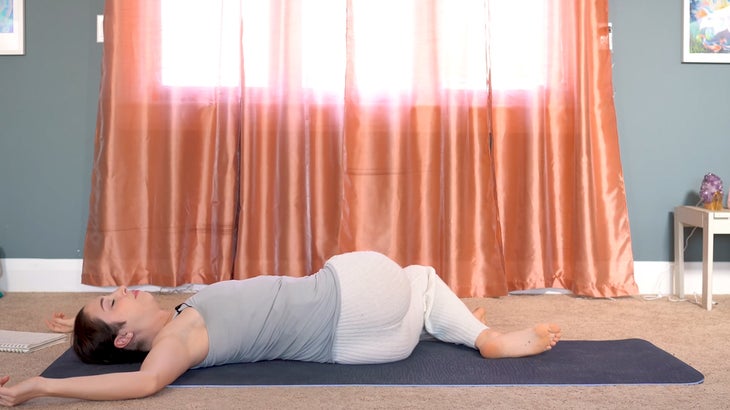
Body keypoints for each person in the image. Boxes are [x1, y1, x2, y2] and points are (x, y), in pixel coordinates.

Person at [0, 251, 560, 406]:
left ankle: (447, 324)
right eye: (114, 303)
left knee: (418, 286)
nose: (123, 290)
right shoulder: (175, 342)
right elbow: (142, 384)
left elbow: (116, 342)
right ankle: (482, 338)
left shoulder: (177, 315)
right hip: (352, 308)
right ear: (126, 338)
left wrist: (75, 330)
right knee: (423, 278)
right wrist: (42, 385)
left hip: (368, 344)